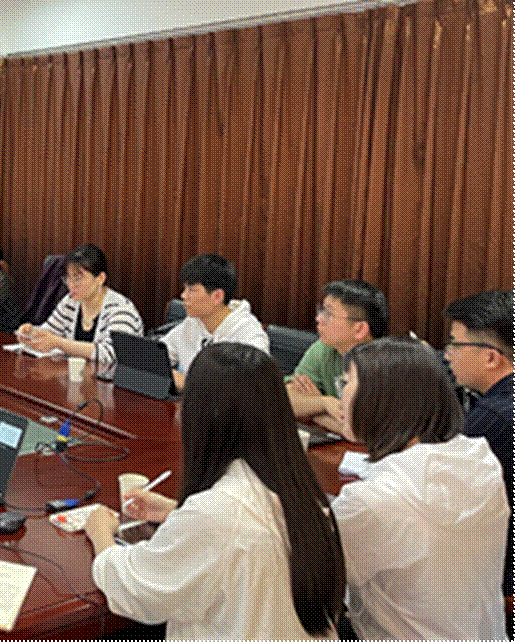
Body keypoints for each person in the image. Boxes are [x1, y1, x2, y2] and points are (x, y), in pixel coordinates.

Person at [84, 342, 344, 639]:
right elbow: (247, 528)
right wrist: (176, 511)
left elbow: (136, 590)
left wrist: (100, 534)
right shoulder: (301, 490)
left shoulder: (215, 515)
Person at [333, 337, 507, 639]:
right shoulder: (481, 463)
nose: (340, 397)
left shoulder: (372, 500)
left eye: (346, 383)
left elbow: (313, 578)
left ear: (380, 398)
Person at [444, 290, 514, 597]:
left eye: (455, 344)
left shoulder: (495, 418)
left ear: (490, 357)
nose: (447, 355)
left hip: (499, 571)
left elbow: (451, 499)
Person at [287, 279, 389, 439]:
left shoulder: (386, 363)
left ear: (359, 329)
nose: (318, 318)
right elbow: (284, 400)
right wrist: (324, 403)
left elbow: (362, 433)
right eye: (321, 310)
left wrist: (314, 411)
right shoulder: (324, 348)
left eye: (328, 314)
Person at [17, 244, 142, 365]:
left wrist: (59, 343)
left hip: (112, 378)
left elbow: (111, 354)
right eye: (68, 278)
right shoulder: (71, 301)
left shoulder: (121, 309)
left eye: (77, 278)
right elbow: (50, 331)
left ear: (100, 278)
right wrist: (31, 333)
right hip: (76, 375)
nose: (71, 285)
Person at [160, 253, 268, 390]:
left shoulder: (249, 335)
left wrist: (187, 383)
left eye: (191, 290)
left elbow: (249, 390)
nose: (183, 295)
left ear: (217, 296)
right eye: (185, 288)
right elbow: (156, 357)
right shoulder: (193, 322)